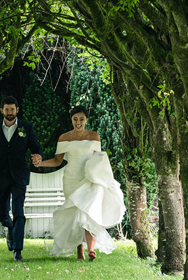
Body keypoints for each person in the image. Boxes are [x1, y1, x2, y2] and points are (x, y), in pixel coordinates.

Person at [34, 105, 126, 260]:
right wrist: (40, 163)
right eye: (75, 119)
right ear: (71, 120)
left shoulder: (94, 136)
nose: (78, 122)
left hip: (90, 179)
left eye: (81, 119)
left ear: (86, 120)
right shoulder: (64, 138)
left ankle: (91, 249)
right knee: (75, 213)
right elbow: (57, 161)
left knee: (89, 213)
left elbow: (99, 160)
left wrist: (103, 178)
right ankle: (79, 250)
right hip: (71, 178)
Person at [0, 96, 44, 262]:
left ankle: (18, 251)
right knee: (1, 214)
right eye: (6, 109)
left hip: (19, 175)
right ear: (2, 111)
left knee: (19, 212)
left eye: (12, 109)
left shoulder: (26, 128)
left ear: (17, 110)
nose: (9, 112)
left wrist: (38, 157)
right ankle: (11, 228)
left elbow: (37, 148)